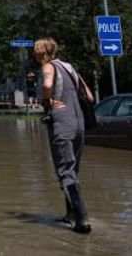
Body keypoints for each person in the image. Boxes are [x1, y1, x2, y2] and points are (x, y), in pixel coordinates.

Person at [34, 37, 94, 234]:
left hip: (62, 123)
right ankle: (70, 214)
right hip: (79, 125)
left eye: (36, 51)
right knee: (72, 171)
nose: (34, 54)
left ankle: (82, 219)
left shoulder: (48, 67)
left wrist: (48, 102)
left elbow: (47, 84)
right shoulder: (70, 68)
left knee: (65, 170)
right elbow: (90, 96)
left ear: (42, 53)